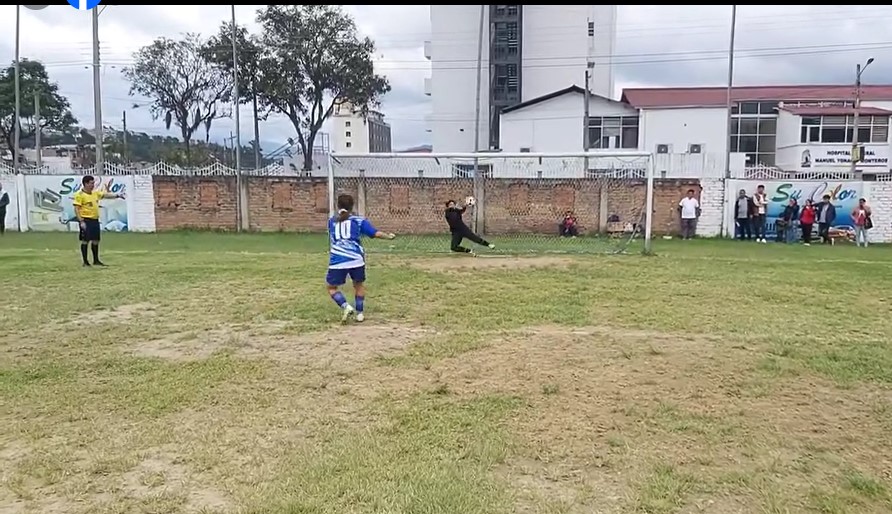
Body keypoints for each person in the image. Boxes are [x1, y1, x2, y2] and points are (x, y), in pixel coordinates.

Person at [326, 194, 395, 323]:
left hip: (337, 259)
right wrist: (388, 236)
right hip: (356, 258)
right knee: (358, 285)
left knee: (331, 288)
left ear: (338, 206)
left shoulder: (331, 221)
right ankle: (360, 314)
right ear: (352, 206)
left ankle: (346, 306)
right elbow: (374, 233)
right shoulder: (359, 221)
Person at [73, 175, 125, 267]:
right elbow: (77, 209)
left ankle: (96, 260)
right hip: (86, 219)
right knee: (85, 240)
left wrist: (117, 195)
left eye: (93, 183)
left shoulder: (95, 193)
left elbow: (105, 195)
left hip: (95, 220)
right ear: (85, 184)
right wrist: (81, 221)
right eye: (91, 183)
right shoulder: (79, 195)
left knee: (96, 240)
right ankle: (85, 262)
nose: (93, 185)